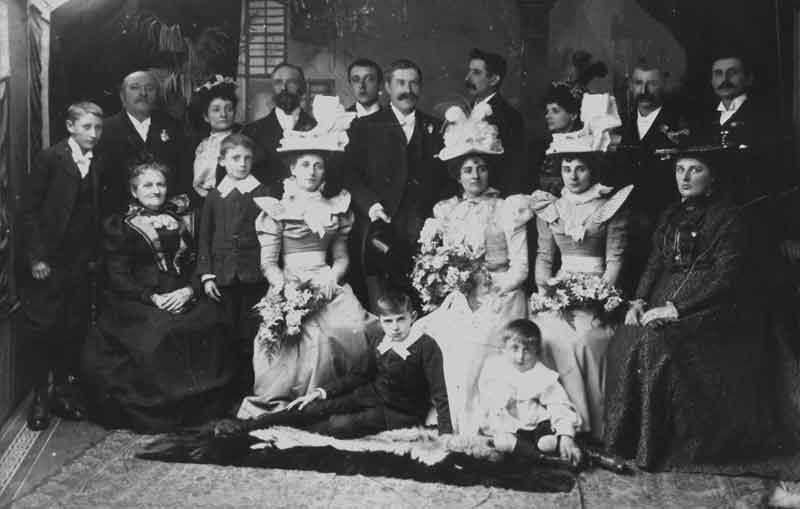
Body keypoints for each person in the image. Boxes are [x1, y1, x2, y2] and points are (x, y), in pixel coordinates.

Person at [604, 146, 782, 470]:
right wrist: (639, 300)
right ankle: (626, 440)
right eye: (679, 169)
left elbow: (726, 279)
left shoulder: (729, 217)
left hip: (714, 308)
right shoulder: (670, 214)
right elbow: (655, 262)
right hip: (663, 297)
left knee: (657, 344)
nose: (684, 177)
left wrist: (678, 310)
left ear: (713, 177)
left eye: (695, 170)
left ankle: (657, 447)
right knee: (624, 338)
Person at [237, 97, 373, 418]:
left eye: (318, 165)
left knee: (350, 329)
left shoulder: (336, 207)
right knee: (292, 336)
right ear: (292, 169)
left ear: (325, 170)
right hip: (289, 281)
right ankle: (287, 400)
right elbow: (268, 263)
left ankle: (328, 399)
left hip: (325, 281)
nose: (311, 171)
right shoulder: (277, 209)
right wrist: (284, 286)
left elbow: (341, 257)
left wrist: (331, 278)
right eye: (305, 165)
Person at [81, 162, 237, 432]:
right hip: (138, 298)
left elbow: (195, 264)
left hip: (181, 291)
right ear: (134, 191)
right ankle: (165, 411)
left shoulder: (181, 221)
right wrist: (152, 298)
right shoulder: (121, 226)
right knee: (161, 333)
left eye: (160, 184)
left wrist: (189, 290)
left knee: (212, 320)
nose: (156, 190)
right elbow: (118, 276)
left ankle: (200, 407)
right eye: (148, 185)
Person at [410, 109, 530, 434]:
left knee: (475, 340)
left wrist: (492, 292)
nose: (475, 175)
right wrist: (452, 288)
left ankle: (479, 419)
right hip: (462, 294)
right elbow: (442, 261)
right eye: (467, 169)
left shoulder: (508, 208)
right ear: (457, 175)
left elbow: (521, 267)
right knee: (429, 332)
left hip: (501, 294)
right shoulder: (449, 211)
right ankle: (448, 415)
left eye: (481, 168)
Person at [527, 96, 629, 440]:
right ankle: (556, 425)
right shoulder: (550, 207)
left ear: (593, 170)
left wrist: (599, 296)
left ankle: (590, 427)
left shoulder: (610, 206)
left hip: (597, 290)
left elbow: (614, 261)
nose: (572, 175)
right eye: (566, 168)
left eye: (580, 168)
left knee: (583, 340)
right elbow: (544, 258)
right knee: (546, 333)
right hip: (560, 288)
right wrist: (547, 291)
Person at [217, 290, 452, 438]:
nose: (396, 328)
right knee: (311, 408)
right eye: (388, 321)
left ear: (413, 317)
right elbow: (359, 375)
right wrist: (321, 392)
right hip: (371, 395)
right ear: (380, 321)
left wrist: (446, 435)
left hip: (399, 412)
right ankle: (248, 426)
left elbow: (440, 393)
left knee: (340, 425)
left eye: (401, 320)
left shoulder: (425, 346)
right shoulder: (381, 339)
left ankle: (284, 435)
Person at [18, 102, 105, 430]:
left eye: (98, 128)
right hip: (49, 262)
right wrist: (36, 257)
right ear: (70, 127)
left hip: (79, 262)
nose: (93, 134)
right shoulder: (50, 159)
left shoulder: (97, 161)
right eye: (87, 127)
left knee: (71, 328)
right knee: (44, 329)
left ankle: (62, 394)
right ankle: (40, 397)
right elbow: (28, 212)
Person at [344, 59, 446, 309]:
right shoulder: (364, 126)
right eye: (400, 83)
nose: (407, 90)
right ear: (387, 87)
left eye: (413, 83)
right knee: (384, 306)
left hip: (424, 233)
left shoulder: (436, 127)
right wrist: (371, 206)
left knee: (423, 304)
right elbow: (349, 174)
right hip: (381, 232)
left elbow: (445, 178)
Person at [196, 134, 269, 394]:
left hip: (253, 274)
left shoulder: (262, 192)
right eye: (235, 158)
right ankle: (225, 392)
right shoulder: (215, 196)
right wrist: (206, 274)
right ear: (222, 161)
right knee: (225, 333)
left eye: (247, 158)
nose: (242, 163)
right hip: (223, 275)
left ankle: (251, 389)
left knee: (251, 333)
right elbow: (204, 236)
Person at [477, 319, 582, 466]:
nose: (520, 357)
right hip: (508, 426)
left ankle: (544, 447)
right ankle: (536, 457)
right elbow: (487, 402)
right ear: (504, 348)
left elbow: (559, 404)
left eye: (527, 350)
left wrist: (566, 435)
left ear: (536, 352)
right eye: (514, 348)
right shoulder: (495, 369)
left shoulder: (542, 375)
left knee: (546, 442)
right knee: (502, 441)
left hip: (537, 424)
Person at [97, 70, 186, 215]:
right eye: (134, 87)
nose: (143, 93)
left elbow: (183, 172)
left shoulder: (173, 127)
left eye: (149, 88)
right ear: (122, 96)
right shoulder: (104, 130)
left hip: (166, 214)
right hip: (117, 215)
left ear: (157, 95)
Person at [242, 62, 317, 186]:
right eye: (278, 82)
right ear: (272, 88)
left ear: (302, 88)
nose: (284, 88)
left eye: (291, 82)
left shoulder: (318, 128)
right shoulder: (251, 131)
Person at [465, 48, 525, 194]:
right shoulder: (464, 111)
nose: (467, 78)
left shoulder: (509, 116)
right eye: (469, 71)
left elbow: (513, 168)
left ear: (494, 79)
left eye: (476, 73)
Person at [190, 75, 242, 198]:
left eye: (229, 109)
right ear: (206, 117)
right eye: (216, 110)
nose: (223, 114)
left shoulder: (241, 141)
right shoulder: (202, 145)